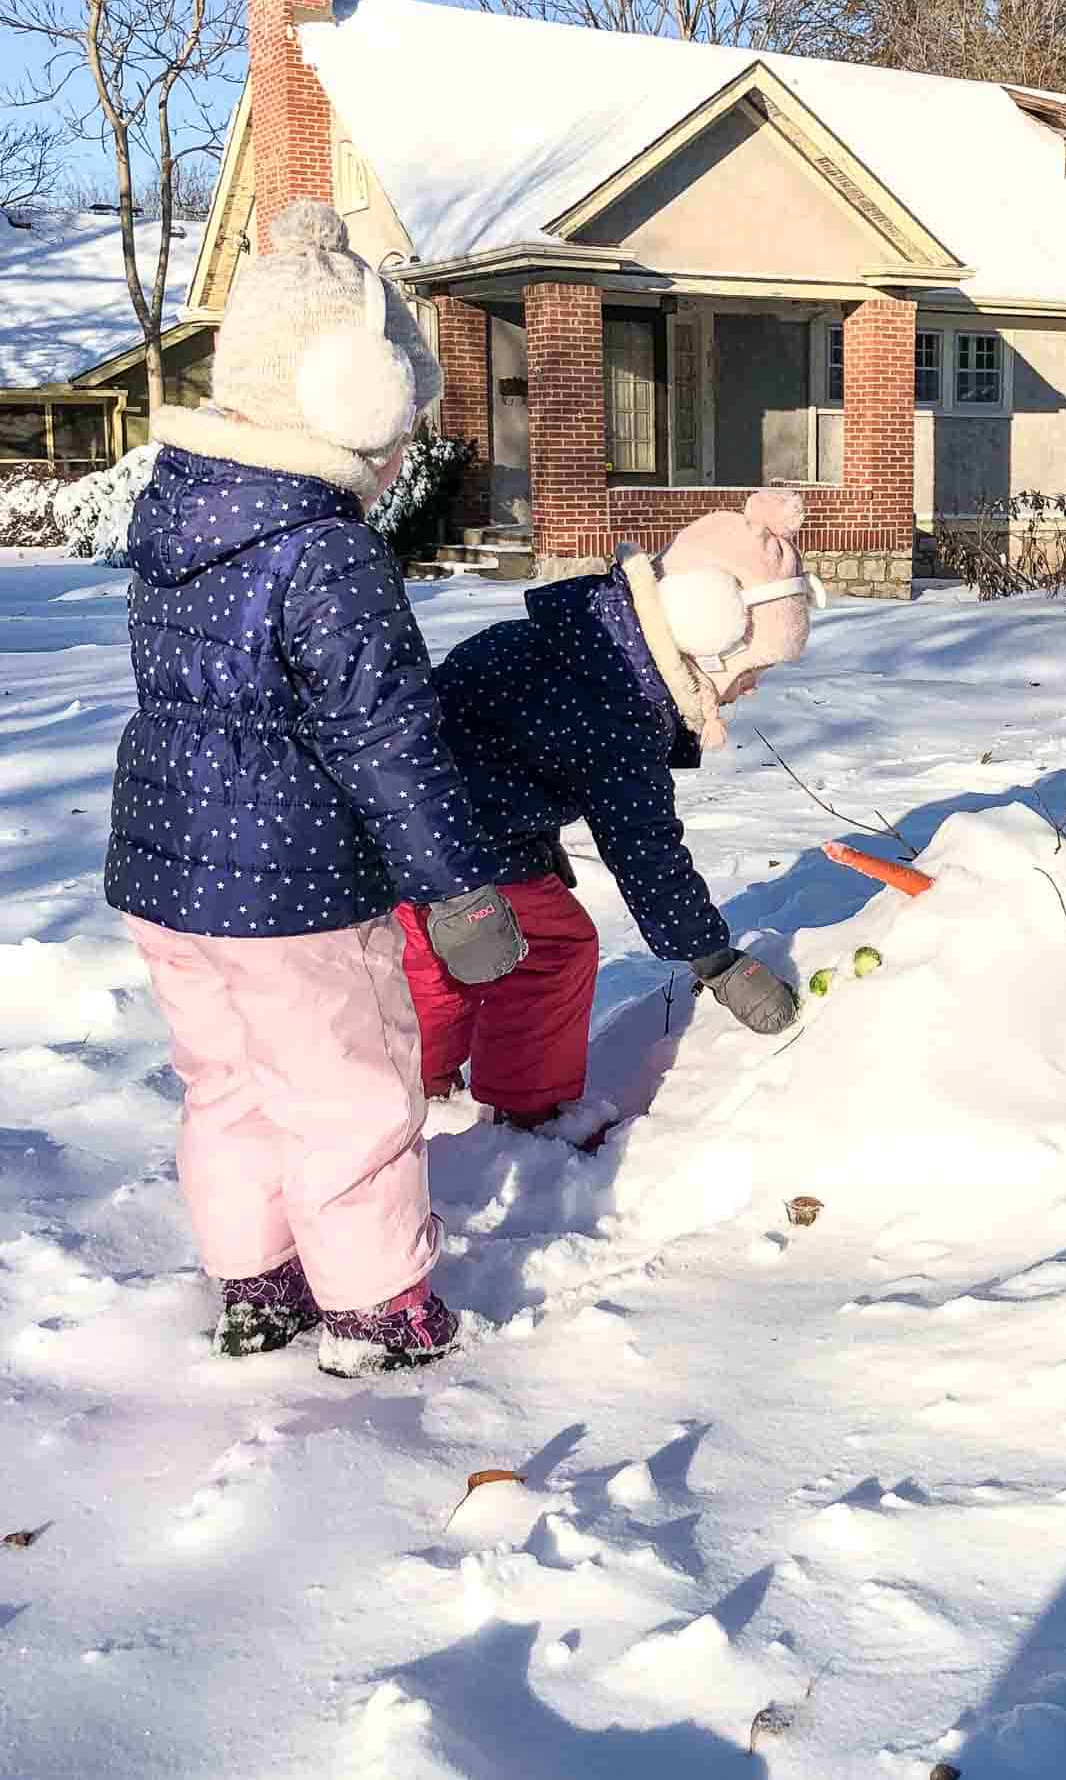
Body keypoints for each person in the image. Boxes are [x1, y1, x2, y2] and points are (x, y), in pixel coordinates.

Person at [106, 199, 524, 1378]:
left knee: (228, 1084)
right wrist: (458, 890)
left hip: (166, 866)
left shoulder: (180, 511)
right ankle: (376, 1306)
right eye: (402, 424)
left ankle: (257, 1282)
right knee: (344, 1091)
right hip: (291, 882)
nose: (403, 460)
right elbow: (388, 735)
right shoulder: (326, 548)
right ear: (353, 397)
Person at [396, 489, 824, 1135]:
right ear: (710, 632)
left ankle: (418, 1077)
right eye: (752, 667)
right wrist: (715, 960)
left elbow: (517, 740)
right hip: (453, 829)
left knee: (445, 949)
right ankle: (515, 1112)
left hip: (421, 814)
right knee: (546, 949)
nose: (752, 686)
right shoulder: (620, 703)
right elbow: (648, 855)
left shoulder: (601, 643)